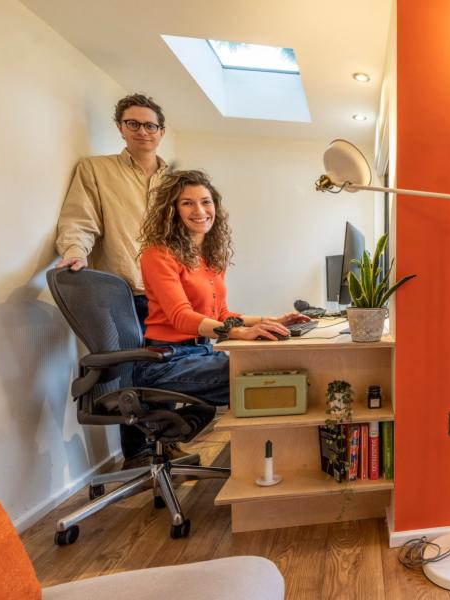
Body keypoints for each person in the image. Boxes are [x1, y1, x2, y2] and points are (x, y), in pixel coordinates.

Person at [133, 170, 309, 427]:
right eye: (187, 203)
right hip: (167, 360)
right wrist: (237, 333)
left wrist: (268, 320)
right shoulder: (158, 254)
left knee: (272, 364)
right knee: (254, 378)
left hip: (201, 351)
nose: (200, 210)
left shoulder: (210, 257)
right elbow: (181, 317)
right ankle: (258, 457)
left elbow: (221, 314)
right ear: (171, 211)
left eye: (206, 201)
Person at [54, 93, 172, 467]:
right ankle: (138, 456)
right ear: (121, 128)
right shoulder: (96, 170)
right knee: (132, 376)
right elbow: (80, 220)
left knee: (168, 371)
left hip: (168, 293)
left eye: (150, 125)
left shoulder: (174, 182)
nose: (142, 131)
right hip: (124, 290)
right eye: (133, 124)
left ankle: (165, 448)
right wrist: (75, 251)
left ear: (161, 132)